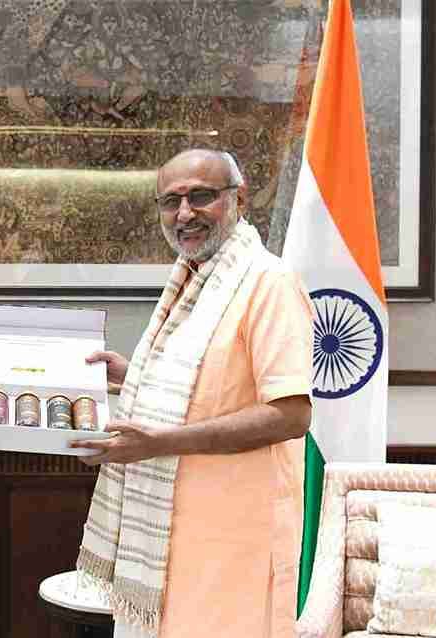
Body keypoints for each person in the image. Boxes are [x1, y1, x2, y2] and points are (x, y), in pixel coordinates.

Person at [72, 149, 313, 637]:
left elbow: (291, 415)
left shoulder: (268, 283)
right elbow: (210, 383)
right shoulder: (192, 280)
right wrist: (131, 375)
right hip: (166, 540)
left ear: (239, 199)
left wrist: (160, 443)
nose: (185, 214)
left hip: (234, 543)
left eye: (201, 196)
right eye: (171, 201)